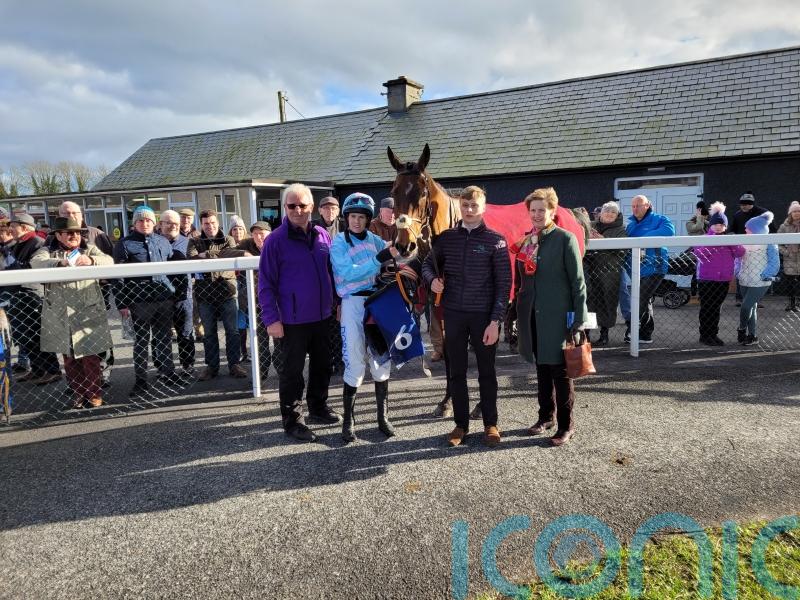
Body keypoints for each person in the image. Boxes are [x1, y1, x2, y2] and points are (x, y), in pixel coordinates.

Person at [422, 186, 510, 448]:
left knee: (487, 372)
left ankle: (490, 423)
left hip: (484, 317)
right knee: (456, 372)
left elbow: (503, 284)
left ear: (483, 208)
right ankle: (460, 424)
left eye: (474, 206)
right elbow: (428, 264)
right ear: (460, 207)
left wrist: (496, 321)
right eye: (465, 205)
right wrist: (432, 281)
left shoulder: (496, 240)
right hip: (454, 313)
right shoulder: (447, 238)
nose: (469, 210)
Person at [258, 183, 342, 443]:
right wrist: (271, 319)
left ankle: (318, 406)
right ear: (285, 208)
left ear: (311, 207)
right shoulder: (274, 241)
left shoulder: (322, 235)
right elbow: (266, 284)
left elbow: (333, 273)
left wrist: (337, 303)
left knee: (323, 365)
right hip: (291, 320)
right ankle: (293, 421)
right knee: (292, 373)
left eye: (302, 205)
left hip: (322, 315)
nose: (297, 210)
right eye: (291, 205)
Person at [514, 187, 587, 446]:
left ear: (552, 211)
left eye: (541, 210)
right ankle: (546, 416)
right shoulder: (527, 242)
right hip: (533, 316)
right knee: (542, 368)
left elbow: (578, 282)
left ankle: (567, 425)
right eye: (532, 210)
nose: (536, 214)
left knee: (561, 371)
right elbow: (520, 281)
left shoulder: (565, 239)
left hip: (559, 317)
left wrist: (579, 319)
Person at [331, 193, 400, 443]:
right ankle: (349, 421)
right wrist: (379, 260)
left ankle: (383, 417)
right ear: (346, 218)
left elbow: (400, 254)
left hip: (377, 302)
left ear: (368, 218)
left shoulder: (376, 240)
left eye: (361, 217)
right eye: (353, 217)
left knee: (381, 360)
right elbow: (347, 273)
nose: (357, 221)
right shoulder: (339, 242)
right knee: (355, 360)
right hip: (352, 304)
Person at [31, 217, 113, 408]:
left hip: (87, 311)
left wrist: (91, 260)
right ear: (58, 235)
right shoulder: (48, 250)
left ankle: (94, 394)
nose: (74, 236)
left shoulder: (89, 248)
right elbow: (35, 262)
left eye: (77, 232)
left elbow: (108, 260)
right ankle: (78, 394)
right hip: (60, 313)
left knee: (90, 357)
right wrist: (61, 264)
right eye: (69, 233)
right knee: (68, 359)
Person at [113, 206, 180, 397]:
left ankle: (169, 373)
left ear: (154, 222)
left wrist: (173, 295)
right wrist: (122, 304)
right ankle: (141, 380)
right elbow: (117, 277)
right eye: (141, 220)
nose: (145, 223)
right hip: (139, 302)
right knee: (141, 342)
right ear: (134, 223)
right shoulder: (124, 245)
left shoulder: (163, 242)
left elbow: (171, 268)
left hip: (163, 300)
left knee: (164, 339)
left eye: (149, 220)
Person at [187, 209, 247, 381]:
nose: (210, 226)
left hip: (227, 292)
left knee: (233, 331)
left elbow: (231, 253)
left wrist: (207, 255)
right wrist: (218, 255)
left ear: (218, 222)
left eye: (213, 223)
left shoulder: (227, 239)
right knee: (209, 333)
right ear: (201, 225)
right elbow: (190, 259)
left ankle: (234, 364)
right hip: (205, 294)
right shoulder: (194, 241)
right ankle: (211, 366)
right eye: (206, 224)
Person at [5, 214, 62, 385]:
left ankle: (52, 370)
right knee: (24, 336)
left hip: (32, 295)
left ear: (24, 227)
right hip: (18, 294)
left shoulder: (37, 242)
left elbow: (32, 267)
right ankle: (37, 370)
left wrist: (9, 263)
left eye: (13, 226)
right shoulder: (18, 244)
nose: (10, 230)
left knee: (38, 335)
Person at [223, 221, 274, 380]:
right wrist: (243, 254)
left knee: (280, 339)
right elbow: (225, 253)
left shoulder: (275, 244)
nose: (259, 237)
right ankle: (262, 370)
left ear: (269, 234)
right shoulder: (246, 244)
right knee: (260, 338)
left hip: (276, 300)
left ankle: (281, 369)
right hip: (256, 301)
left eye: (262, 233)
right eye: (255, 233)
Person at [625, 195, 675, 344]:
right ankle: (645, 334)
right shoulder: (630, 225)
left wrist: (643, 239)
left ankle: (632, 330)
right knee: (644, 300)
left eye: (639, 205)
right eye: (633, 206)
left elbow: (669, 231)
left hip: (656, 267)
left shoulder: (660, 219)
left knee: (640, 298)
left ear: (647, 205)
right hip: (636, 268)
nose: (635, 209)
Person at [693, 202, 745, 346]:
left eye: (722, 225)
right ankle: (704, 335)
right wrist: (713, 243)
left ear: (725, 226)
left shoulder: (729, 240)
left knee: (716, 308)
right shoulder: (704, 239)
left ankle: (713, 334)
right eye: (716, 224)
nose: (718, 226)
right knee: (707, 307)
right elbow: (699, 254)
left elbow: (741, 252)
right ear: (711, 225)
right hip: (706, 279)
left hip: (723, 279)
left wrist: (732, 242)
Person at [157, 210, 195, 374]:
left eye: (176, 224)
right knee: (161, 335)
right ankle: (163, 368)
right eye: (168, 223)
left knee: (186, 333)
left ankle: (188, 365)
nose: (173, 226)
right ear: (160, 224)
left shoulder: (188, 243)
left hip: (183, 296)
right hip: (160, 298)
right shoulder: (153, 243)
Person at [736, 211, 779, 346]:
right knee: (751, 308)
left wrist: (766, 274)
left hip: (761, 280)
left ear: (756, 229)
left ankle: (742, 328)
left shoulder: (769, 243)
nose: (745, 229)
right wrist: (737, 271)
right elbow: (738, 260)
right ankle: (753, 336)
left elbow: (774, 262)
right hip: (744, 279)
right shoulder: (743, 241)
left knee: (745, 306)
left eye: (748, 228)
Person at [587, 201, 627, 345]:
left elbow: (622, 250)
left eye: (613, 212)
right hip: (589, 270)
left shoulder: (621, 229)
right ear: (600, 213)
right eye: (606, 211)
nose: (609, 214)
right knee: (589, 300)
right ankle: (586, 334)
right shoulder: (591, 225)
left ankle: (604, 335)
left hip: (609, 273)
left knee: (607, 302)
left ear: (617, 215)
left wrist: (603, 240)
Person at [313, 196, 345, 374]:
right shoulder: (313, 228)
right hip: (322, 282)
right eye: (326, 208)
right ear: (320, 210)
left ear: (338, 211)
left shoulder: (345, 226)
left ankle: (340, 360)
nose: (330, 211)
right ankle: (327, 361)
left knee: (340, 324)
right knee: (325, 326)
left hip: (341, 282)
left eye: (333, 209)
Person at [227, 215, 250, 360]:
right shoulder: (227, 245)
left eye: (240, 228)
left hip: (249, 287)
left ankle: (254, 352)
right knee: (239, 323)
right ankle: (242, 352)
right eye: (234, 229)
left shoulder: (249, 244)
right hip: (234, 288)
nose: (238, 231)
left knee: (252, 322)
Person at [777, 201, 800, 312]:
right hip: (790, 260)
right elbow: (777, 242)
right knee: (790, 283)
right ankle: (791, 303)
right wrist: (787, 252)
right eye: (794, 211)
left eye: (798, 211)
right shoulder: (784, 226)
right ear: (790, 213)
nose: (796, 213)